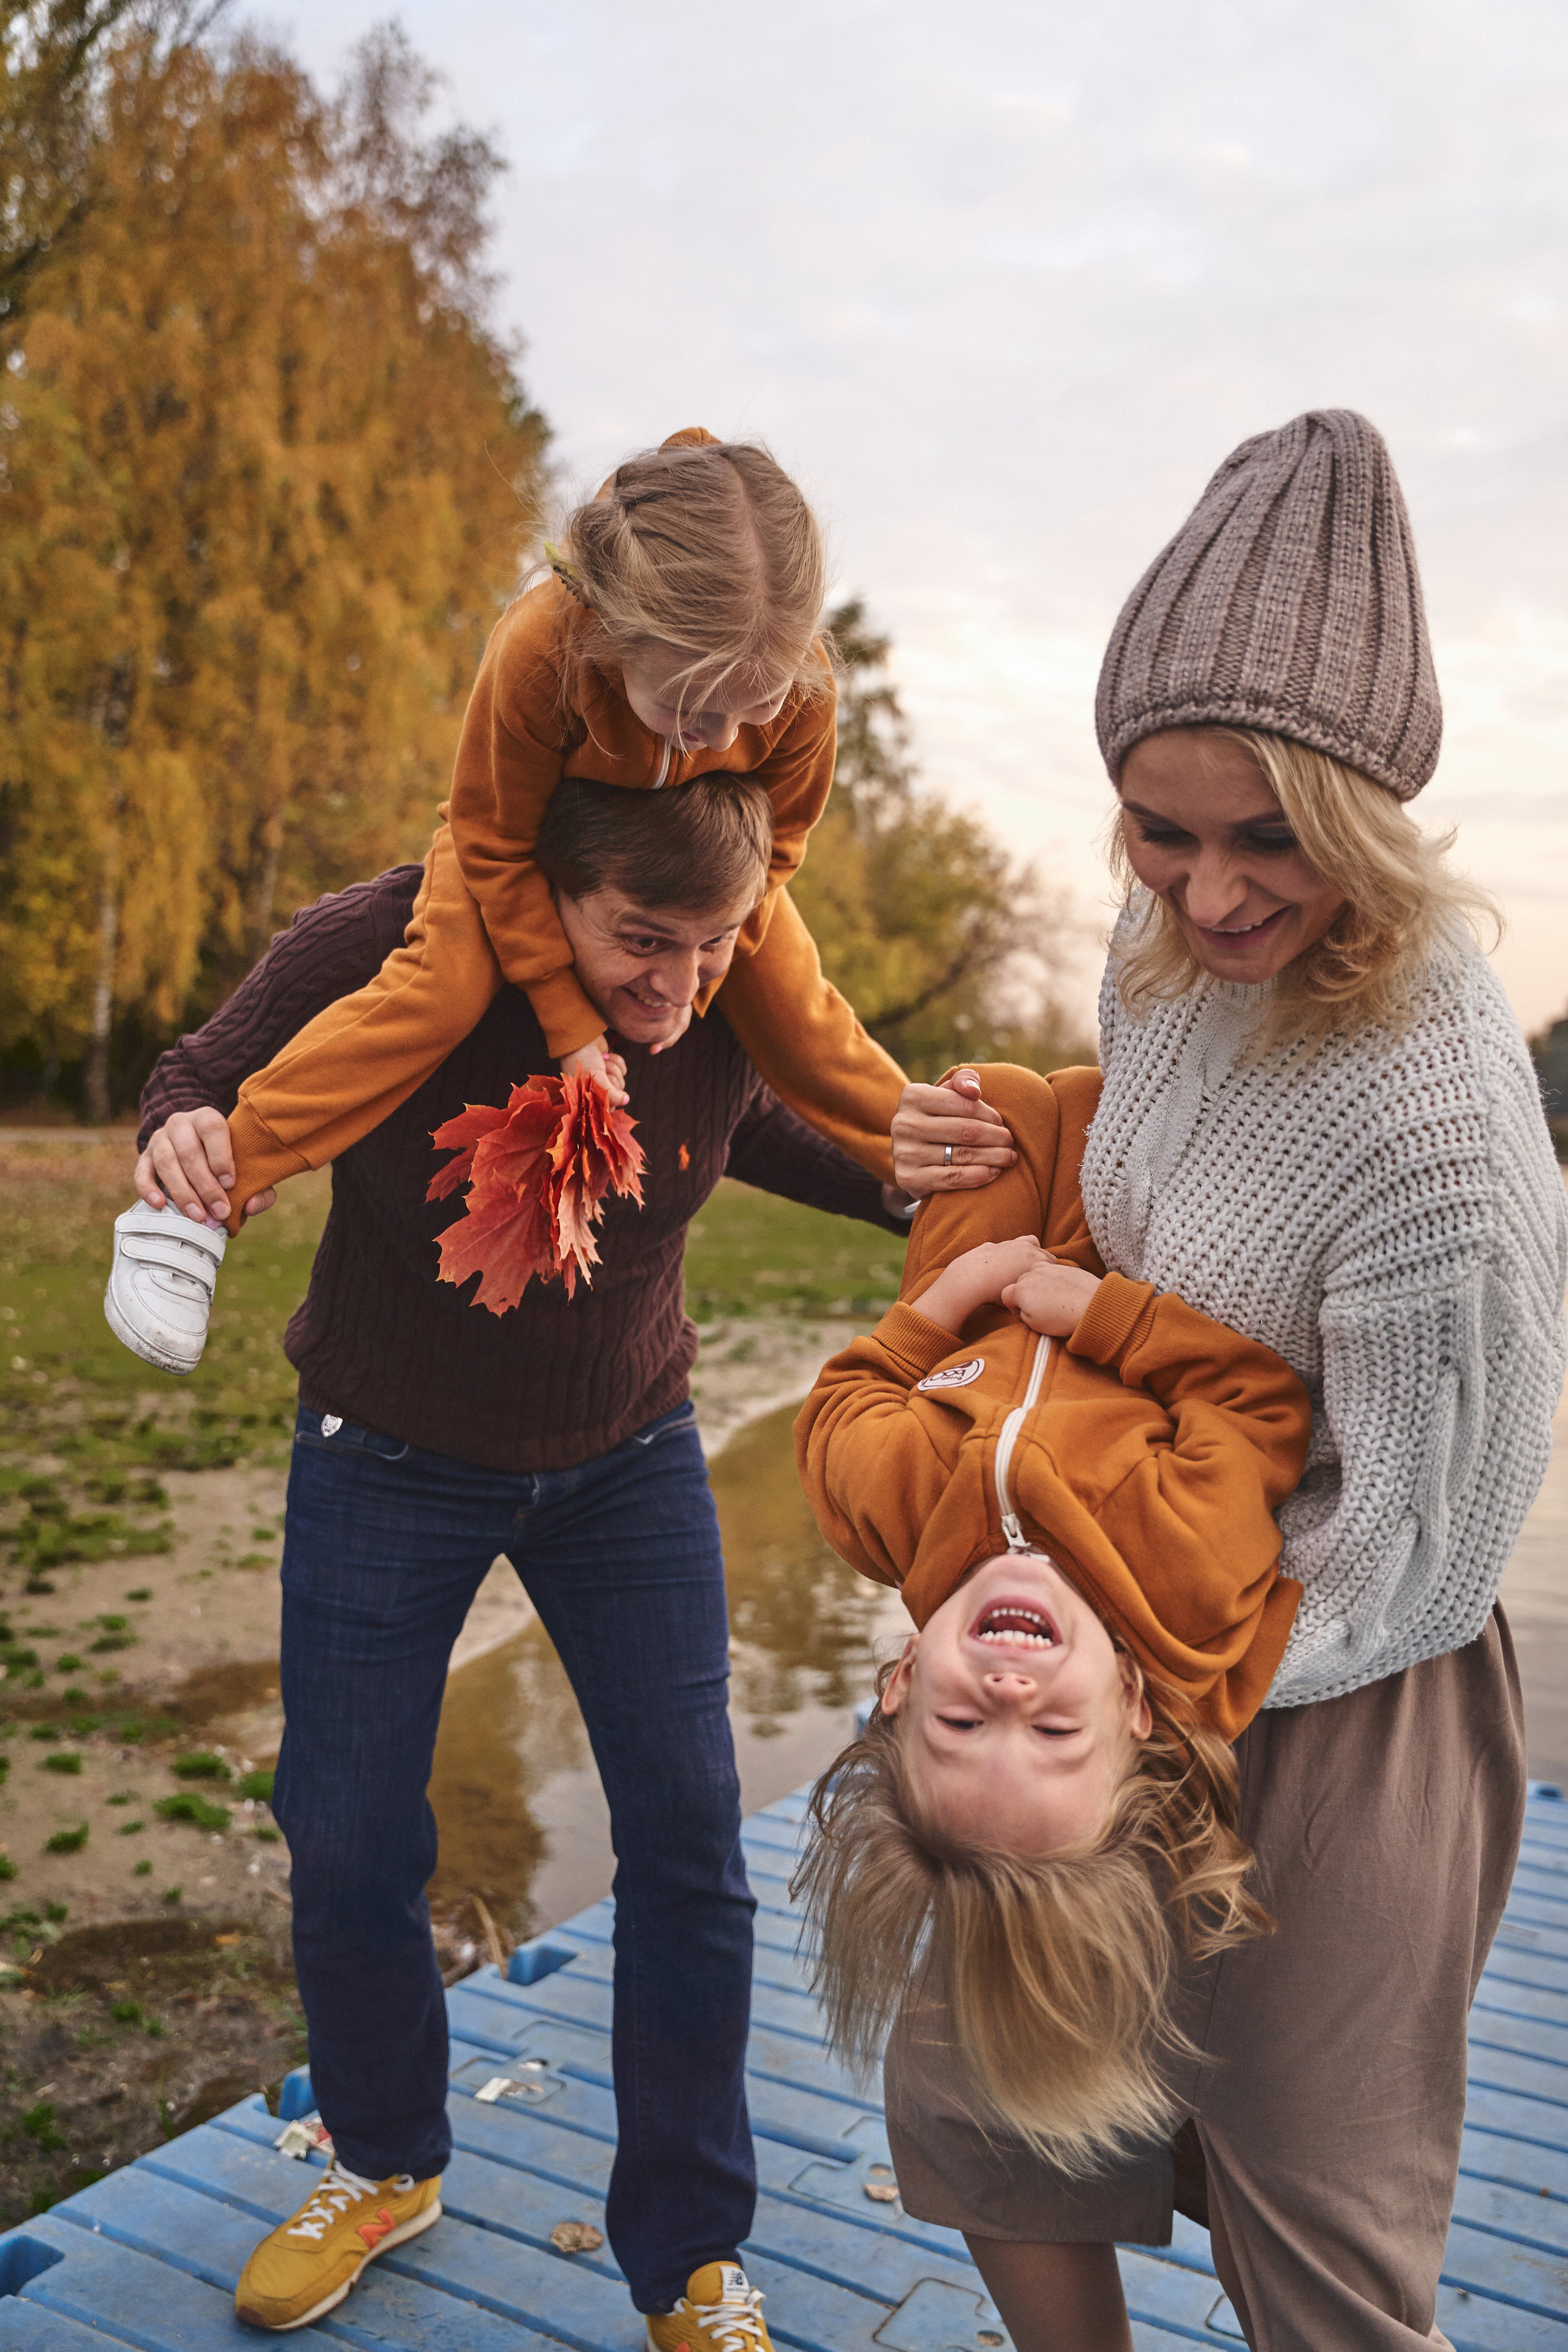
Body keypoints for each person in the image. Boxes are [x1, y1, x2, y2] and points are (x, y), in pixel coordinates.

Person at [881, 410, 1568, 2350]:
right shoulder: (1159, 945)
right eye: (1159, 829)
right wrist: (1017, 1131)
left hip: (1337, 1674)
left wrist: (1126, 1655)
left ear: (1366, 811)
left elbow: (1422, 1553)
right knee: (982, 2076)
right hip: (1116, 1581)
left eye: (1268, 837)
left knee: (1313, 2201)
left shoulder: (1442, 1139)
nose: (1208, 891)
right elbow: (1150, 1169)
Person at [130, 774, 916, 2351]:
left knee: (690, 1839)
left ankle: (691, 2252)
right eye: (642, 940)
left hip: (625, 1459)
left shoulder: (725, 994)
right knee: (347, 1836)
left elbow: (768, 1112)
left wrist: (938, 1181)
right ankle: (382, 2162)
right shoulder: (385, 940)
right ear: (544, 886)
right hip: (385, 1450)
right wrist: (187, 1141)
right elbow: (192, 1077)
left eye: (715, 946)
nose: (677, 988)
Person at [105, 428, 905, 1374]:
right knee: (435, 992)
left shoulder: (803, 685)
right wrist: (569, 1022)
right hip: (514, 855)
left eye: (751, 708)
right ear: (614, 630)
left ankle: (932, 1170)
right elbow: (490, 834)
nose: (719, 736)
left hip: (708, 879)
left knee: (808, 1017)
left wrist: (719, 938)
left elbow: (783, 844)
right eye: (690, 710)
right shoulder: (542, 649)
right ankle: (199, 1209)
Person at [790, 1059, 1311, 2177]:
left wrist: (945, 1300)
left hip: (974, 1292)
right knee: (1119, 1099)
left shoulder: (894, 1518)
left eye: (962, 1729)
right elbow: (1257, 1404)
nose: (1008, 1699)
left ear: (901, 1682)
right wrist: (1107, 1314)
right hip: (1123, 1293)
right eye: (1053, 1735)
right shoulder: (1184, 1561)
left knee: (996, 1098)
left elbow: (844, 1401)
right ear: (1131, 1708)